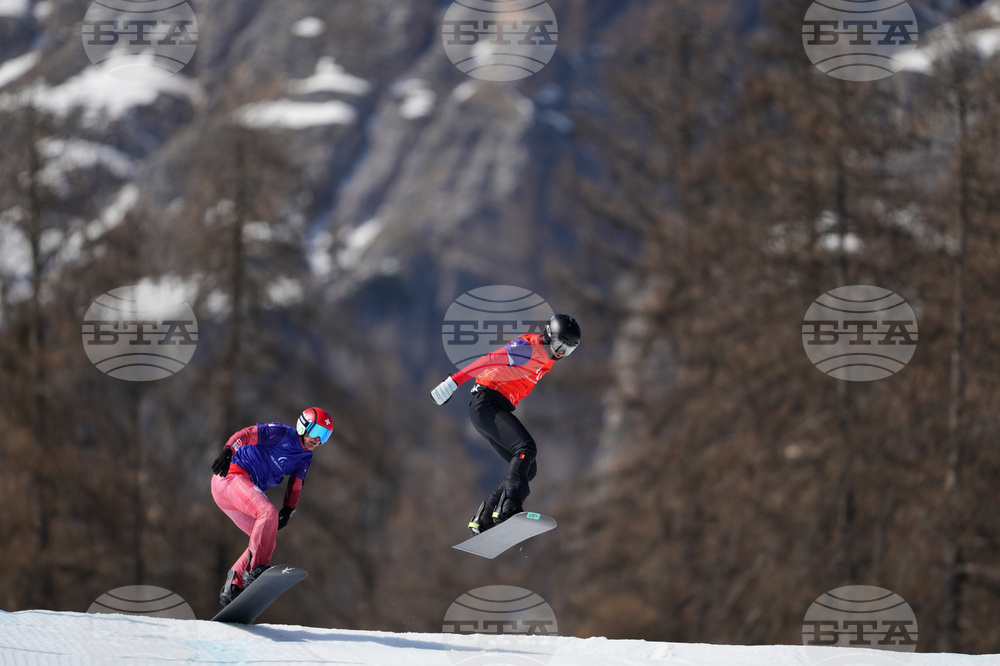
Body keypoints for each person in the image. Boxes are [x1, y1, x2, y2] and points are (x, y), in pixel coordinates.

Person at [430, 313, 581, 535]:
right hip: (487, 403)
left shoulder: (547, 358)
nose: (560, 353)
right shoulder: (528, 348)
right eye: (560, 345)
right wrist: (454, 381)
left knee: (528, 467)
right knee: (526, 448)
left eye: (568, 350)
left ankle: (483, 518)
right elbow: (490, 359)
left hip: (492, 408)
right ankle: (509, 506)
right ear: (549, 335)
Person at [210, 407, 333, 606]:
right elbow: (247, 434)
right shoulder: (281, 433)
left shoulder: (306, 457)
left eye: (325, 436)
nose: (318, 440)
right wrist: (228, 450)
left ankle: (233, 584)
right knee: (267, 513)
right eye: (317, 432)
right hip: (230, 476)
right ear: (304, 425)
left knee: (267, 536)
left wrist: (289, 508)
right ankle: (256, 570)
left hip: (237, 494)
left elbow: (296, 482)